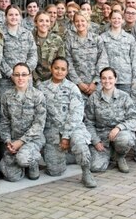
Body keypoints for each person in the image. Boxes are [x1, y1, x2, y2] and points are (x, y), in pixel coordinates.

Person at [37, 58, 96, 188]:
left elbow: (76, 114)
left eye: (63, 69)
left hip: (73, 128)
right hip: (52, 131)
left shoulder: (72, 88)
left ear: (67, 71)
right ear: (51, 68)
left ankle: (86, 172)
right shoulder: (41, 87)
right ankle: (71, 156)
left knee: (80, 144)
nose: (59, 71)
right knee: (54, 172)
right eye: (56, 68)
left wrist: (66, 136)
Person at [84, 68, 136, 173]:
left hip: (119, 134)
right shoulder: (94, 98)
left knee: (125, 139)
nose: (107, 81)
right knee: (96, 167)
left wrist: (119, 128)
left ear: (115, 79)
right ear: (100, 80)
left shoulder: (124, 97)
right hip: (101, 136)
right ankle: (109, 153)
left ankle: (120, 156)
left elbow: (134, 118)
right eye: (104, 78)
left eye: (110, 78)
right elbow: (88, 122)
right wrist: (96, 141)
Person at [0, 63, 46, 182]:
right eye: (17, 74)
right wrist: (8, 141)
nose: (20, 78)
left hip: (33, 139)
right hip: (13, 141)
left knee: (23, 159)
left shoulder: (38, 95)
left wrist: (21, 142)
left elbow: (38, 124)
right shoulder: (6, 96)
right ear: (13, 76)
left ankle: (33, 162)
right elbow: (4, 121)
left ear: (29, 76)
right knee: (11, 177)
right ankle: (20, 165)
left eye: (24, 74)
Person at [67, 12, 109, 97]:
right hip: (76, 86)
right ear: (74, 23)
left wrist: (95, 82)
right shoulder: (70, 40)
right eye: (77, 21)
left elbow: (103, 61)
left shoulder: (96, 39)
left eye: (82, 21)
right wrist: (79, 83)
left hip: (96, 84)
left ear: (87, 22)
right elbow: (68, 63)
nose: (80, 23)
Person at [0, 6, 38, 98]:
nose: (14, 17)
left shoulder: (27, 34)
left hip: (25, 79)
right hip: (6, 79)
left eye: (16, 14)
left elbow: (33, 54)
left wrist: (25, 72)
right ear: (5, 17)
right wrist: (10, 73)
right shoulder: (0, 34)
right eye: (10, 15)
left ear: (20, 17)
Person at [100, 10, 136, 92]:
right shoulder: (102, 38)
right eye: (114, 18)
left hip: (126, 79)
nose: (116, 20)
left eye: (119, 18)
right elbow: (100, 60)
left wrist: (135, 79)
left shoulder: (129, 38)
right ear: (110, 19)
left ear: (123, 20)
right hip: (108, 79)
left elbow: (135, 59)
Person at [32, 12, 66, 84]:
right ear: (35, 22)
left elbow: (61, 61)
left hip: (53, 79)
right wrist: (36, 79)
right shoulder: (29, 38)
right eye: (41, 21)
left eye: (47, 21)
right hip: (32, 79)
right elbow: (27, 61)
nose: (44, 23)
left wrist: (54, 79)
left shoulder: (57, 39)